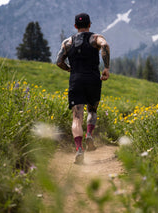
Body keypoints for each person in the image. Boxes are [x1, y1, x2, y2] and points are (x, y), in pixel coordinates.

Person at [56, 13, 110, 164]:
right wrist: (106, 67)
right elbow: (104, 45)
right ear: (90, 25)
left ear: (75, 26)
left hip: (76, 81)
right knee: (92, 110)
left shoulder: (67, 42)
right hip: (93, 79)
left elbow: (59, 61)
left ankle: (79, 149)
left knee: (76, 118)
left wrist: (69, 70)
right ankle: (89, 135)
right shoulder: (95, 38)